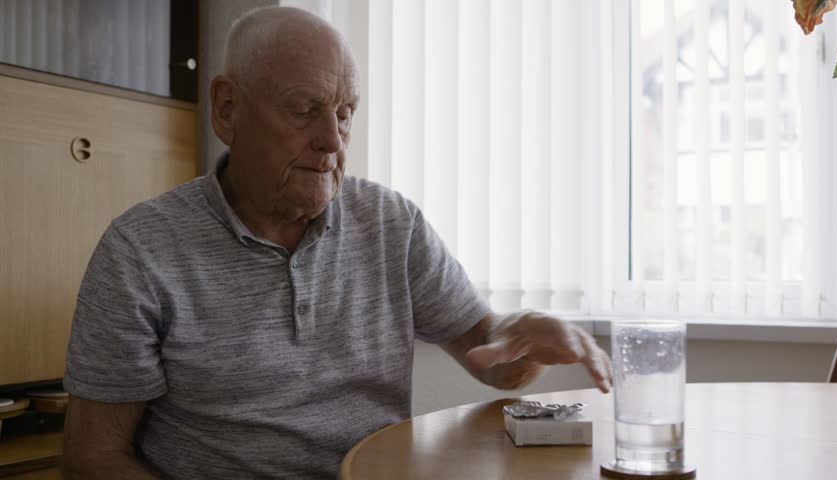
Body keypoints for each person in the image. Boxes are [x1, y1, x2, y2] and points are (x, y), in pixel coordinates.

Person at [61, 6, 611, 480]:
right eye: (304, 110)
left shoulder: (391, 222)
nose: (331, 141)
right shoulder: (141, 250)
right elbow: (93, 459)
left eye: (345, 114)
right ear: (227, 109)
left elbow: (494, 360)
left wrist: (523, 337)